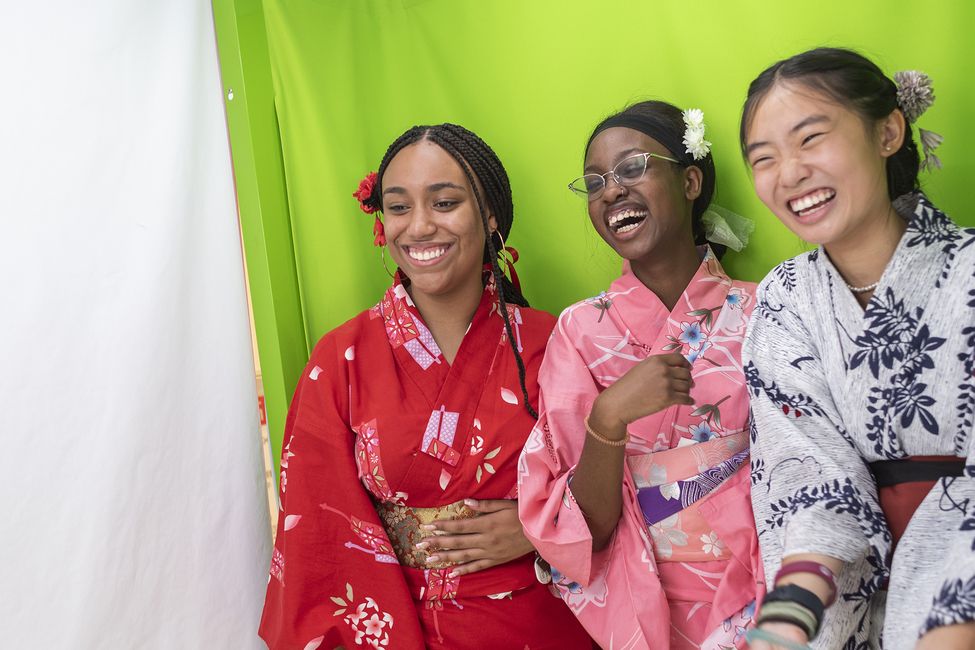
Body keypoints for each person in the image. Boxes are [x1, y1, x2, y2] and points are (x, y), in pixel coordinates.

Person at [258, 123, 593, 649]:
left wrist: (539, 528)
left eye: (444, 203)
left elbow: (621, 485)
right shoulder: (341, 358)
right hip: (393, 624)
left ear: (489, 217)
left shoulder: (556, 344)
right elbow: (317, 528)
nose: (418, 227)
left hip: (538, 623)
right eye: (398, 207)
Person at [740, 47, 975, 650]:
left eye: (810, 138)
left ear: (888, 131)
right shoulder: (785, 298)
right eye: (763, 159)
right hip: (847, 588)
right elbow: (807, 470)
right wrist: (787, 617)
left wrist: (949, 623)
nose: (788, 173)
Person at [518, 100, 763, 649]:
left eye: (632, 168)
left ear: (691, 180)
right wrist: (608, 418)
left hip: (757, 592)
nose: (611, 191)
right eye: (595, 181)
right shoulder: (579, 332)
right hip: (642, 603)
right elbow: (587, 530)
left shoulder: (765, 312)